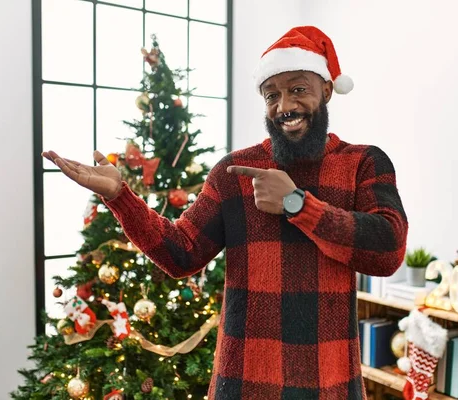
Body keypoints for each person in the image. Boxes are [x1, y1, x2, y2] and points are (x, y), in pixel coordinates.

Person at [43, 26, 408, 400]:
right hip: (243, 384)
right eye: (272, 95)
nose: (284, 106)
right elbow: (181, 253)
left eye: (298, 89)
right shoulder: (233, 172)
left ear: (326, 90)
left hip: (328, 385)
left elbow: (388, 250)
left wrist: (297, 203)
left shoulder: (363, 163)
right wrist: (120, 196)